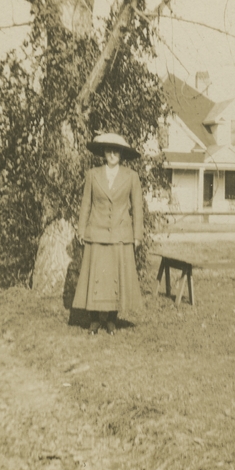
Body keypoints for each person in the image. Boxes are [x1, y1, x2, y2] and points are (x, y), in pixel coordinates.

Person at [72, 133, 143, 335]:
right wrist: (81, 229)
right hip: (97, 232)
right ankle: (94, 320)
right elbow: (86, 204)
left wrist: (137, 235)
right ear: (103, 152)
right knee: (96, 277)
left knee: (115, 278)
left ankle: (112, 319)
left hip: (120, 235)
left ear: (121, 154)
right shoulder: (92, 175)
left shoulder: (131, 177)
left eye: (116, 150)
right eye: (108, 150)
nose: (112, 154)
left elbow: (138, 208)